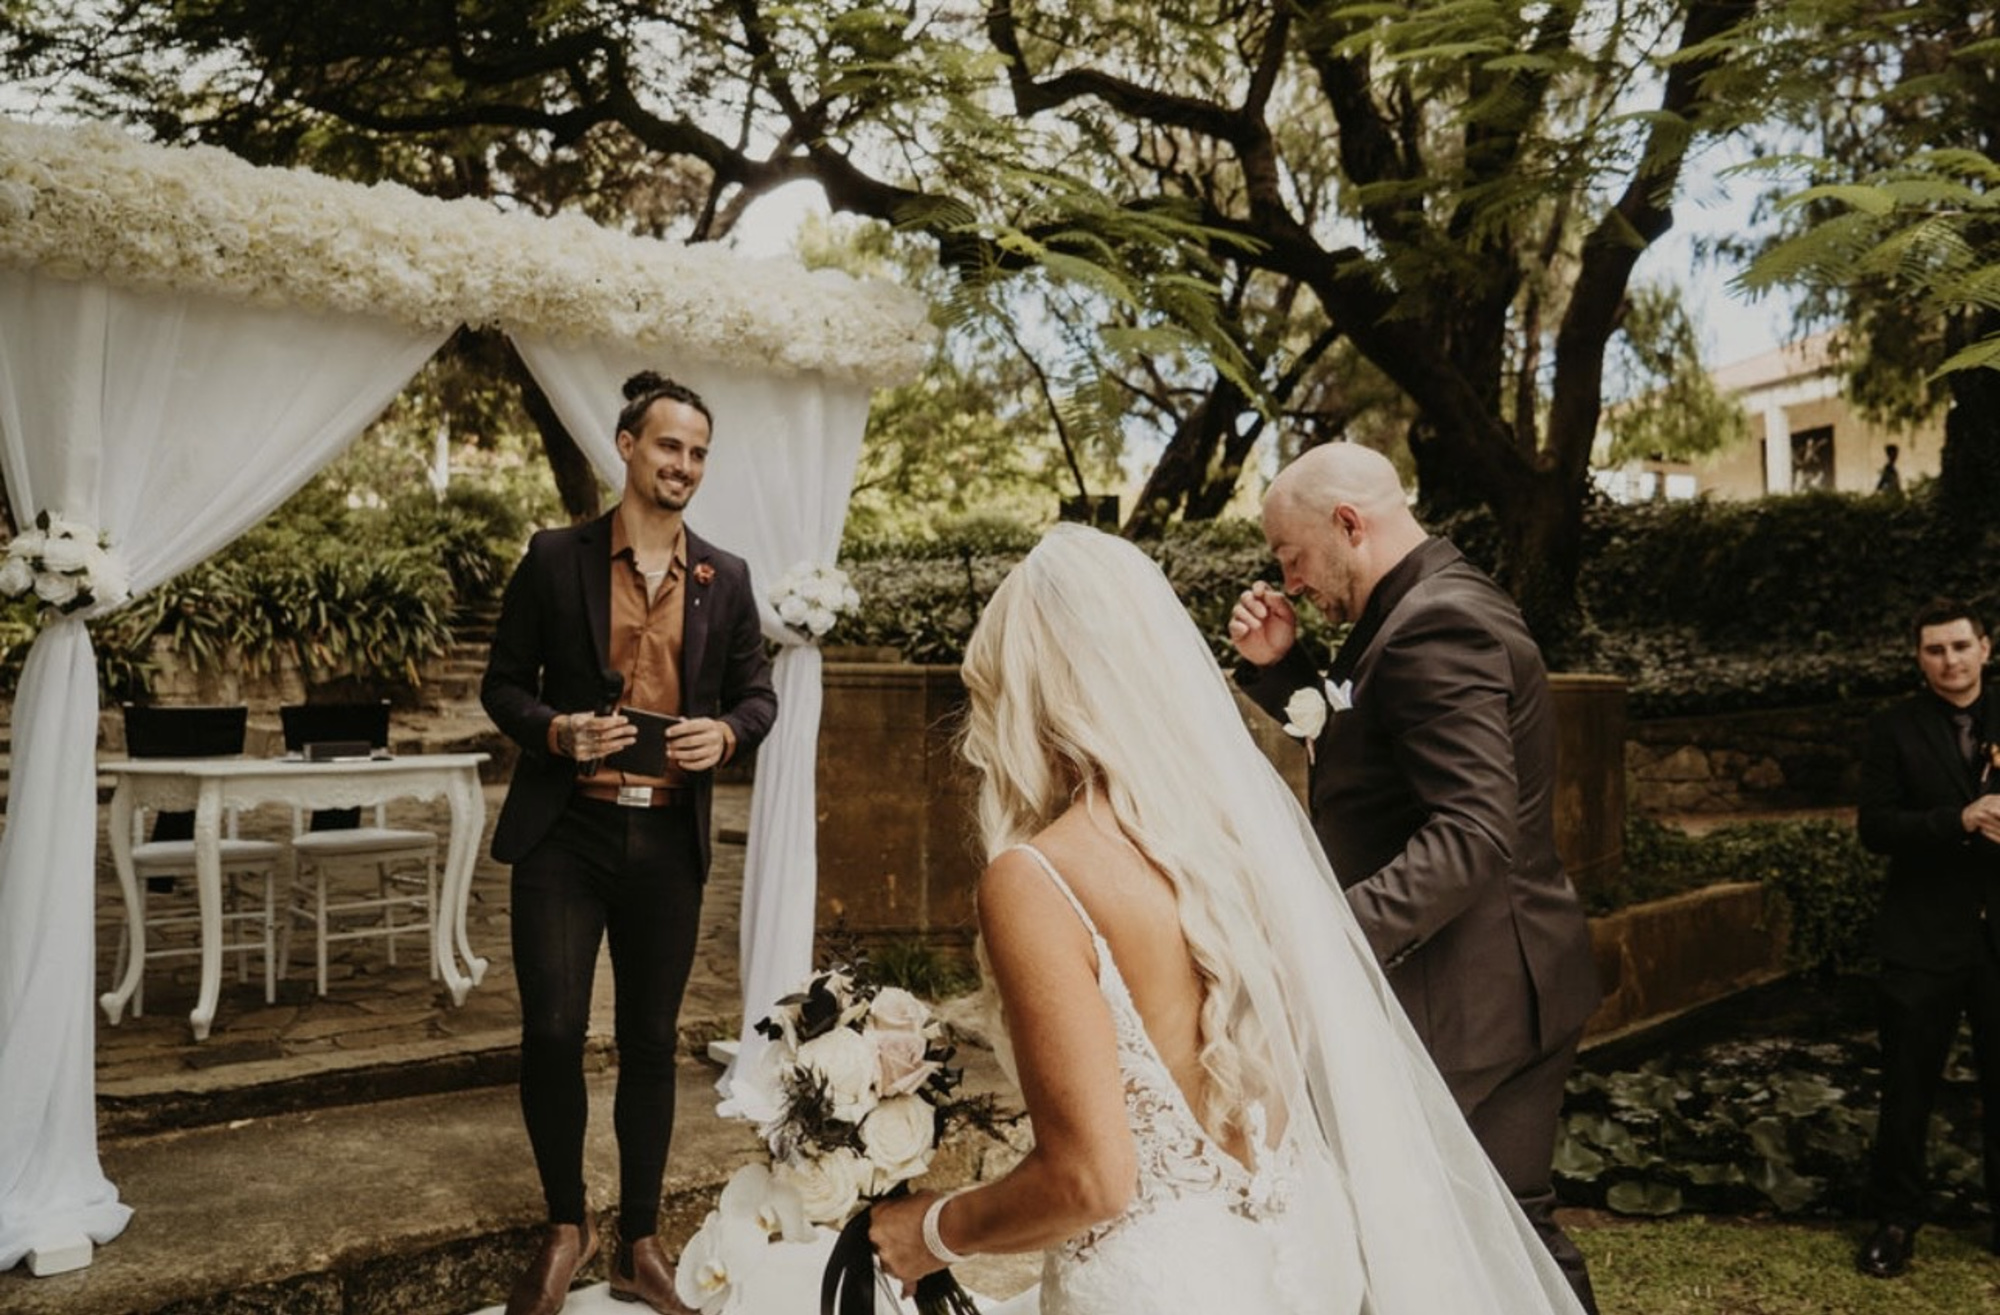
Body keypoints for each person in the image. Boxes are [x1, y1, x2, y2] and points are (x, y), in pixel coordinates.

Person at [869, 524, 1586, 1313]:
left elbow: (1091, 1180)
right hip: (1311, 1256)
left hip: (1166, 1286)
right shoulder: (1243, 843)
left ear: (1028, 693)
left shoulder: (1036, 877)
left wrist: (929, 1228)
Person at [1225, 442, 1602, 1312]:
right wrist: (1286, 675)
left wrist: (1325, 940)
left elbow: (1470, 833)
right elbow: (1383, 751)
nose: (1291, 582)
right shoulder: (1423, 604)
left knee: (1502, 1226)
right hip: (1486, 973)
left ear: (1349, 524)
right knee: (1489, 1226)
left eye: (1293, 556)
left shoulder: (1437, 621)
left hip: (1477, 990)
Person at [482, 371, 777, 1315]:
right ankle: (566, 1227)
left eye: (697, 452)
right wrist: (556, 730)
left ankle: (640, 1244)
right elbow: (501, 684)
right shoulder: (554, 556)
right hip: (563, 832)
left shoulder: (724, 577)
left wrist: (725, 735)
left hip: (665, 841)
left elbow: (757, 695)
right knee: (555, 1030)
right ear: (626, 445)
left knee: (652, 1040)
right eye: (668, 446)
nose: (684, 465)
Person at [1853, 598, 2000, 1279]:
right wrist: (1958, 819)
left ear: (1986, 648)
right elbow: (1877, 826)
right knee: (1908, 1087)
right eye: (1936, 649)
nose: (1950, 660)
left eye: (1960, 646)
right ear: (1920, 658)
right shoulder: (1893, 727)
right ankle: (1895, 1222)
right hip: (1921, 937)